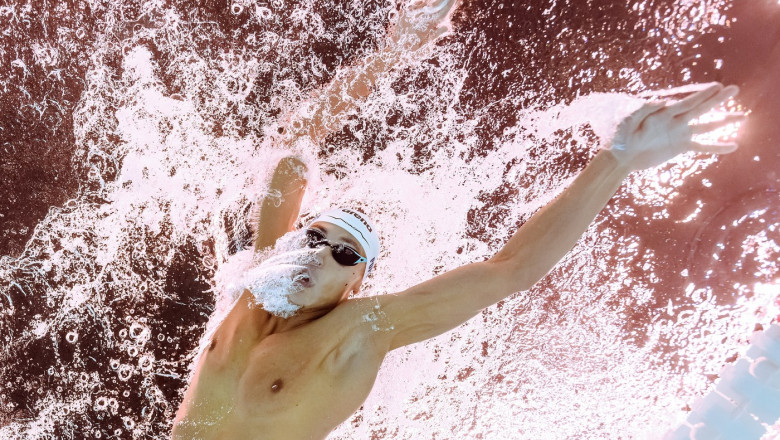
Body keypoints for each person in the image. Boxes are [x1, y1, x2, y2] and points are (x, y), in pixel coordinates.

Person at [171, 1, 746, 438]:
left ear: (357, 285)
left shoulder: (359, 332)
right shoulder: (263, 275)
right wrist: (394, 51)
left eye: (345, 254)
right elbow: (295, 143)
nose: (321, 252)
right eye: (317, 237)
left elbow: (509, 271)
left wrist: (617, 161)